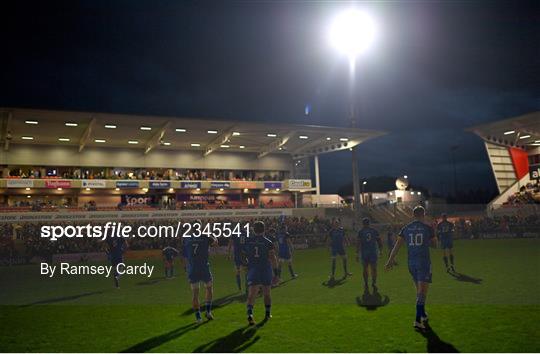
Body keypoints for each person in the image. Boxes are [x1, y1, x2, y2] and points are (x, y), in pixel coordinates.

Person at [385, 206, 437, 331]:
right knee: (422, 293)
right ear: (423, 214)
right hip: (423, 262)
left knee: (419, 290)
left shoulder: (406, 228)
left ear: (413, 215)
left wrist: (390, 260)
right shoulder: (428, 228)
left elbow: (397, 245)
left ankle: (423, 314)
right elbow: (435, 245)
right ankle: (418, 320)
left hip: (411, 263)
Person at [243, 221, 279, 326]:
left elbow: (243, 254)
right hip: (265, 269)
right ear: (264, 229)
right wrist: (276, 273)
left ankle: (250, 314)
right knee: (267, 293)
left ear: (254, 230)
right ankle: (267, 314)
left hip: (253, 269)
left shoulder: (249, 241)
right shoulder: (268, 242)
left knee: (251, 294)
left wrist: (246, 264)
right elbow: (273, 258)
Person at [184, 221, 218, 323]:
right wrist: (212, 235)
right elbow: (215, 243)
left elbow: (185, 254)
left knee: (195, 294)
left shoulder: (187, 238)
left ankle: (198, 317)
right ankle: (208, 312)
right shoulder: (205, 237)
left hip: (193, 268)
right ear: (200, 227)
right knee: (209, 288)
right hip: (204, 267)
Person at [356, 218, 382, 292]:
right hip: (373, 252)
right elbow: (379, 241)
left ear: (363, 224)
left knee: (365, 268)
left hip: (364, 253)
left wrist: (356, 253)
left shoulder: (360, 232)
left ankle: (366, 283)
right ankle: (374, 282)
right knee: (374, 268)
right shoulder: (374, 231)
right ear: (369, 223)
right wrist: (381, 250)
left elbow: (358, 243)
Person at [227, 223, 248, 292]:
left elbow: (230, 243)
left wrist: (229, 254)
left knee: (237, 271)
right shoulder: (246, 233)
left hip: (237, 254)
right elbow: (249, 243)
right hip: (244, 254)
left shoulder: (234, 233)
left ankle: (239, 288)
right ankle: (247, 286)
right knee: (246, 271)